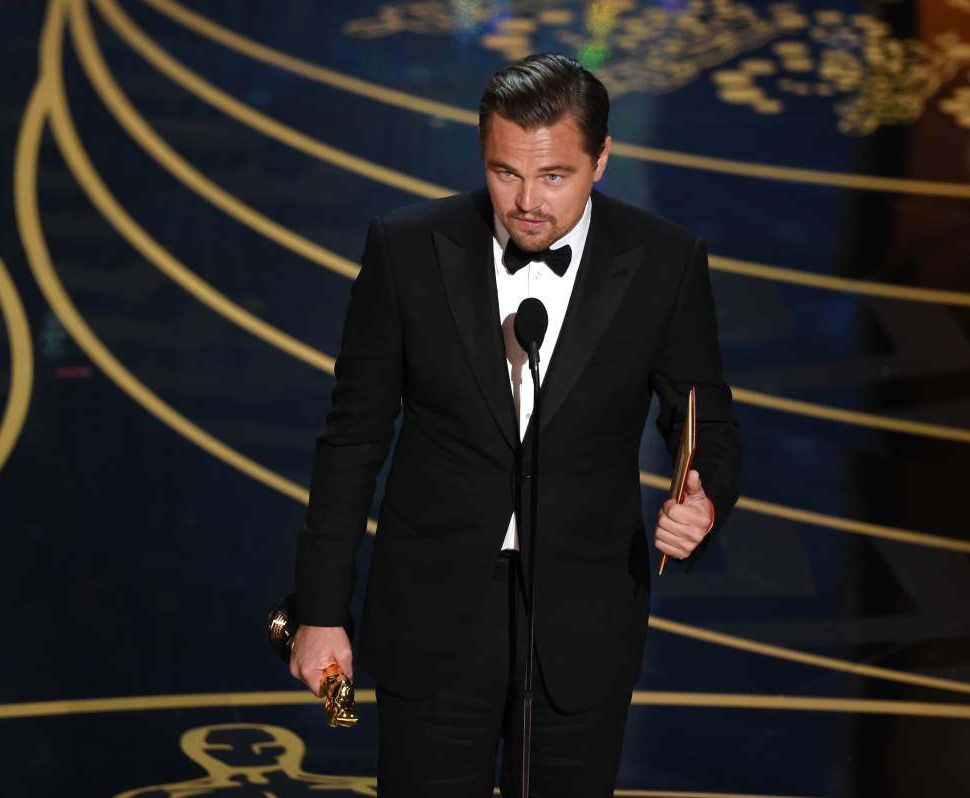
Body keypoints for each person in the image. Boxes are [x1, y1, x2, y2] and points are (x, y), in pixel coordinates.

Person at [287, 53, 743, 796]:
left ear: (601, 160)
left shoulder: (664, 262)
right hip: (433, 620)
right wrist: (319, 611)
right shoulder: (407, 248)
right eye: (506, 173)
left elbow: (708, 421)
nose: (527, 202)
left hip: (583, 624)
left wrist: (705, 498)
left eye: (554, 176)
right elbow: (352, 440)